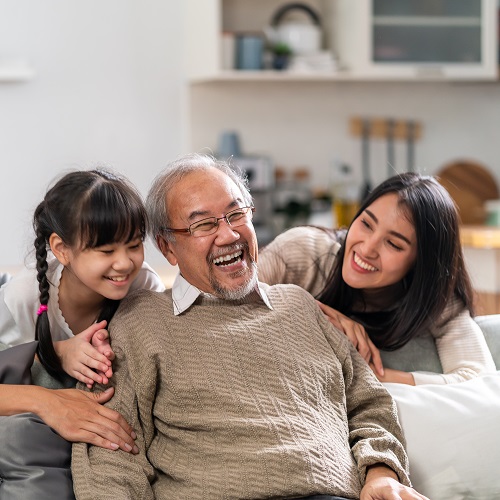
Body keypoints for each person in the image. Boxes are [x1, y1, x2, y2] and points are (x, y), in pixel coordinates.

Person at [72, 153, 428, 500]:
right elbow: (110, 458)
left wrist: (381, 474)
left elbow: (369, 405)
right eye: (203, 224)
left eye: (236, 214)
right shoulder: (140, 321)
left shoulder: (300, 305)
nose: (228, 235)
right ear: (168, 247)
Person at [0, 168, 165, 500]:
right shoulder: (23, 296)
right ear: (62, 249)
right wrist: (56, 353)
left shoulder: (145, 287)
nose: (124, 263)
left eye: (134, 245)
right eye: (106, 251)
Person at [258, 172, 496, 386]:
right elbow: (227, 303)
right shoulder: (304, 251)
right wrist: (320, 317)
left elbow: (478, 379)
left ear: (421, 264)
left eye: (393, 243)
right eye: (366, 223)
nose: (367, 248)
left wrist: (379, 375)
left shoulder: (437, 299)